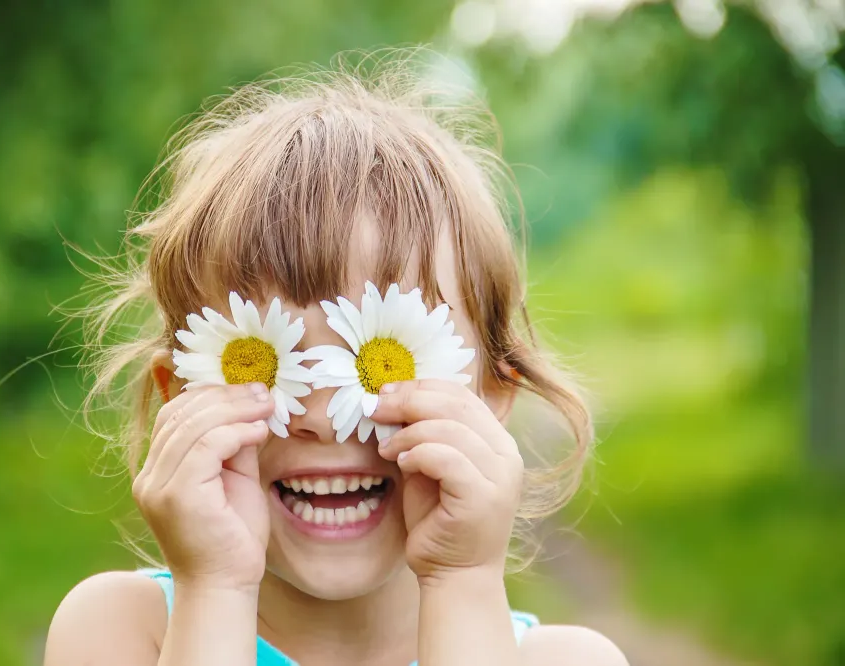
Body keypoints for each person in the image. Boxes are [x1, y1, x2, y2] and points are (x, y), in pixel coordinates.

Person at [43, 50, 628, 666]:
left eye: (385, 364)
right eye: (265, 363)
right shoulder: (121, 632)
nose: (321, 417)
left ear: (491, 392)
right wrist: (215, 588)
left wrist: (463, 580)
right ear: (178, 395)